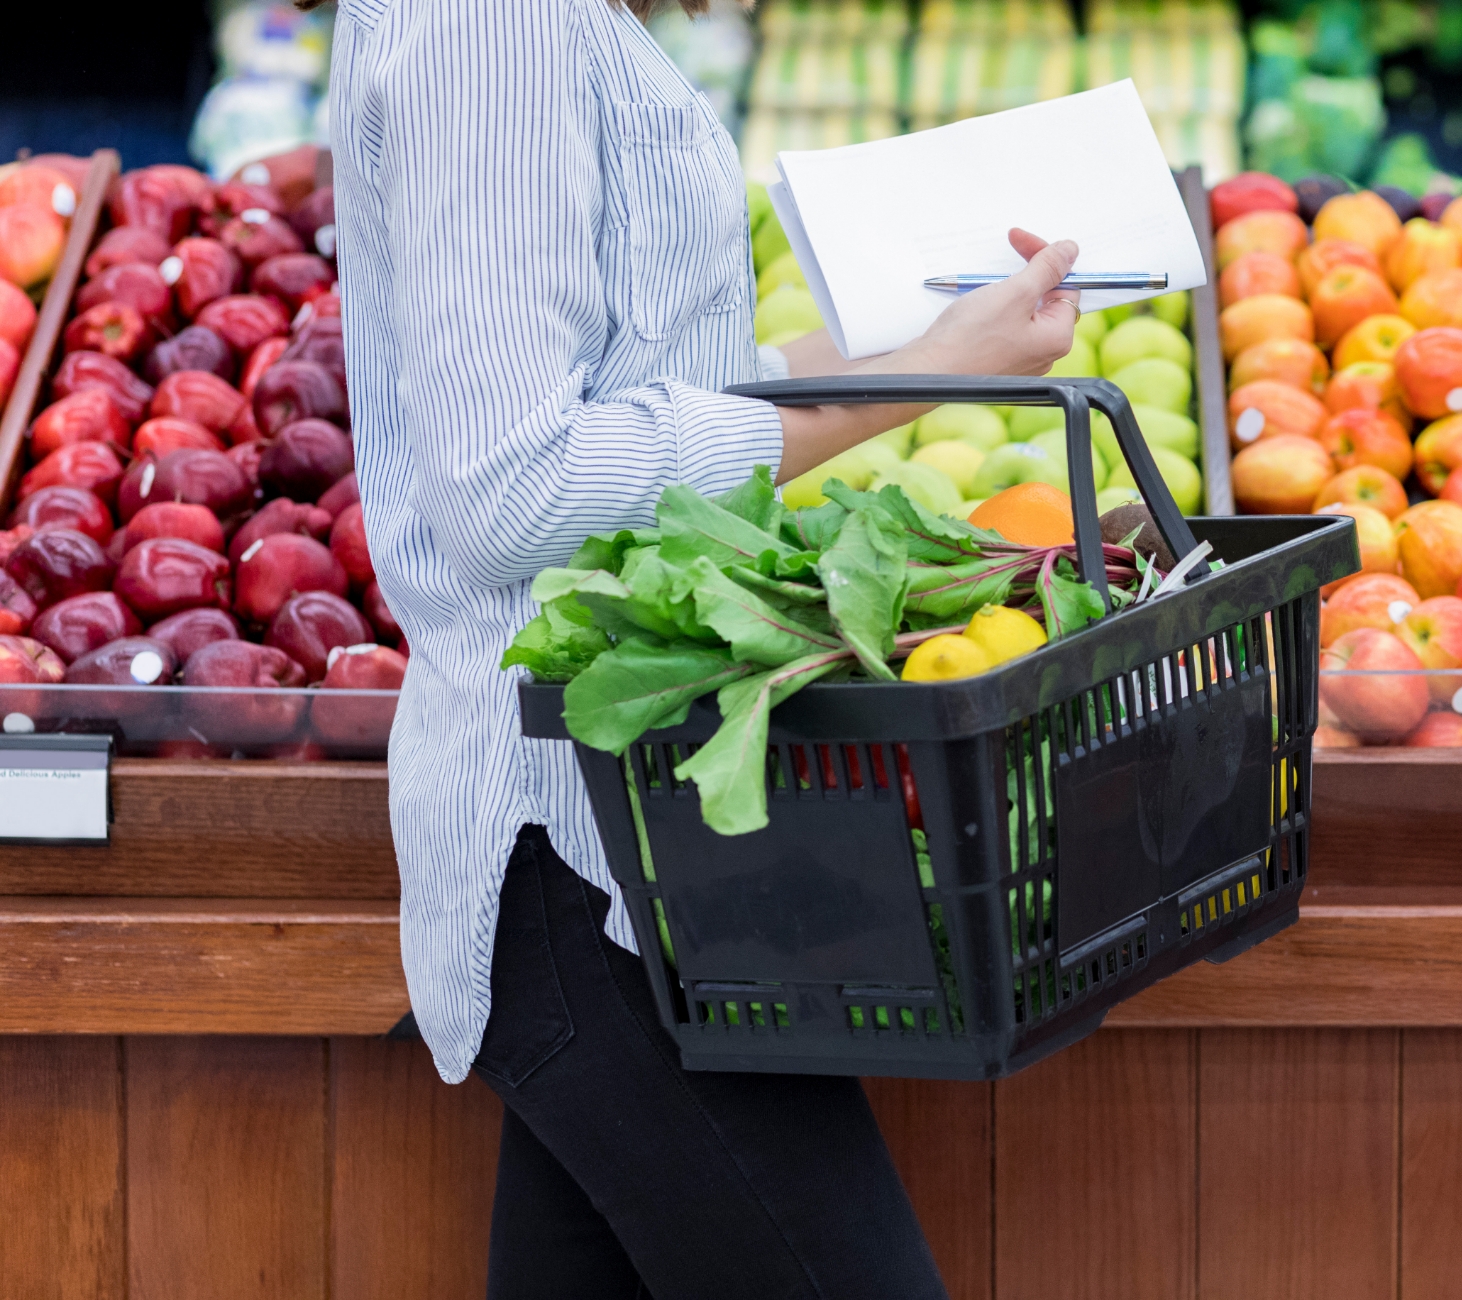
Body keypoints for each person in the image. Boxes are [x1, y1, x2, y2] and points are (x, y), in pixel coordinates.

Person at [317, 0, 1080, 1292]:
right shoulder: (492, 22)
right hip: (580, 846)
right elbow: (513, 488)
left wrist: (943, 345)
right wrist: (906, 383)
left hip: (647, 829)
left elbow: (648, 387)